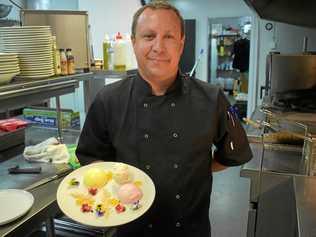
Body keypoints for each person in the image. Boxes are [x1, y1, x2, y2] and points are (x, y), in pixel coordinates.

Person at [76, 1, 252, 237]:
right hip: (130, 229)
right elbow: (93, 157)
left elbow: (232, 153)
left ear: (181, 44)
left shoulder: (212, 98)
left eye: (168, 37)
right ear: (134, 42)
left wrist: (196, 171)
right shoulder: (108, 100)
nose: (158, 47)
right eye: (148, 36)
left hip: (190, 229)